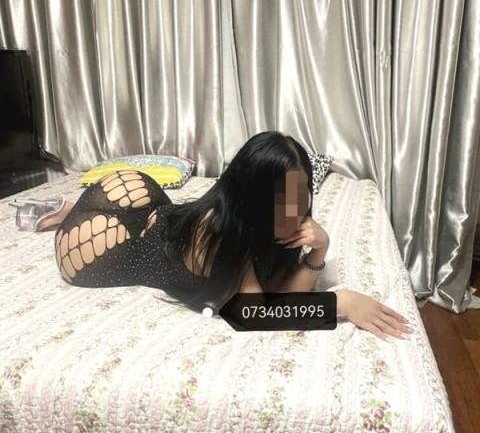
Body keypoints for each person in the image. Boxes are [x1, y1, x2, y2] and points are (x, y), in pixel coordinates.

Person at [10, 131, 412, 341]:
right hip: (114, 247)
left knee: (142, 211)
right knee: (82, 239)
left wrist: (318, 250)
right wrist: (340, 303)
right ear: (251, 198)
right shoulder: (221, 232)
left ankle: (69, 207)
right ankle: (64, 214)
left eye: (302, 191)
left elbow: (282, 288)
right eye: (281, 199)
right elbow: (255, 315)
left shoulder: (269, 221)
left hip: (155, 207)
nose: (295, 209)